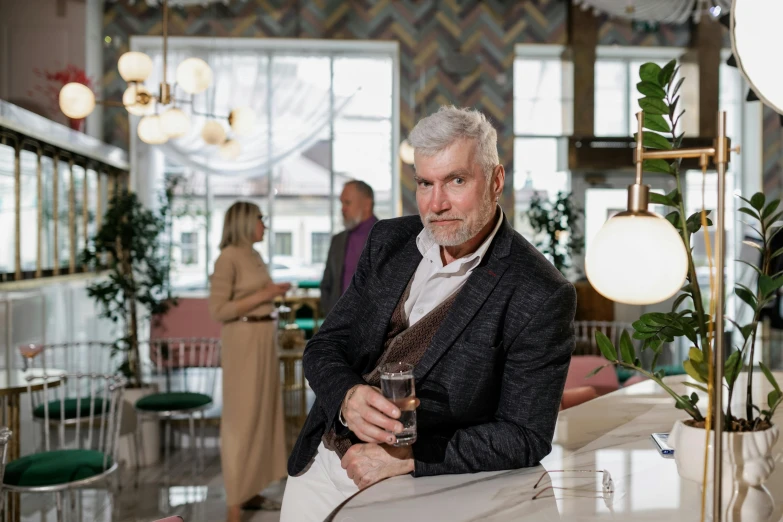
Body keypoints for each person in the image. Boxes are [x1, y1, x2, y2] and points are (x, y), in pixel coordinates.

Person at [280, 106, 577, 521]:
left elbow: (524, 435)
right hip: (321, 464)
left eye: (457, 180)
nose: (436, 203)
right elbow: (326, 346)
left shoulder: (539, 291)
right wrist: (347, 397)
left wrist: (410, 459)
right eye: (425, 183)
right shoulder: (388, 240)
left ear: (496, 180)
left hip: (413, 487)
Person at [209, 201, 292, 522]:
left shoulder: (253, 255)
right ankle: (234, 501)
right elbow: (219, 310)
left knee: (262, 415)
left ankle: (252, 489)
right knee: (241, 421)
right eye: (261, 219)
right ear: (245, 222)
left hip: (261, 337)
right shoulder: (227, 257)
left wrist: (271, 294)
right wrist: (266, 293)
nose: (265, 225)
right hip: (242, 341)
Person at [320, 180, 378, 315]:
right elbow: (327, 284)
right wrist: (331, 315)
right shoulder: (338, 240)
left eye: (347, 203)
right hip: (339, 328)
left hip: (373, 326)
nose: (342, 209)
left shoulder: (388, 236)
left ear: (366, 204)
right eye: (341, 203)